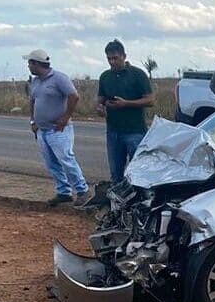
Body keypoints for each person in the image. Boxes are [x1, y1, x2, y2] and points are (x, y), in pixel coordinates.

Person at [24, 49, 90, 206]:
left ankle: (82, 191)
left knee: (66, 160)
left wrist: (66, 117)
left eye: (30, 63)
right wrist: (33, 121)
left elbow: (74, 96)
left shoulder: (59, 78)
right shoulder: (35, 82)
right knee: (51, 162)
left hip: (58, 129)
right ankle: (63, 192)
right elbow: (32, 101)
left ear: (37, 64)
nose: (28, 67)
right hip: (42, 130)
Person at [97, 39, 155, 183]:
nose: (112, 62)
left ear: (124, 56)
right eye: (109, 59)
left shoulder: (137, 75)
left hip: (135, 131)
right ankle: (117, 201)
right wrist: (100, 107)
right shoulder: (105, 76)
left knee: (138, 171)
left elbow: (150, 100)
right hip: (113, 131)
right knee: (116, 173)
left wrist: (127, 103)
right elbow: (101, 98)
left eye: (115, 58)